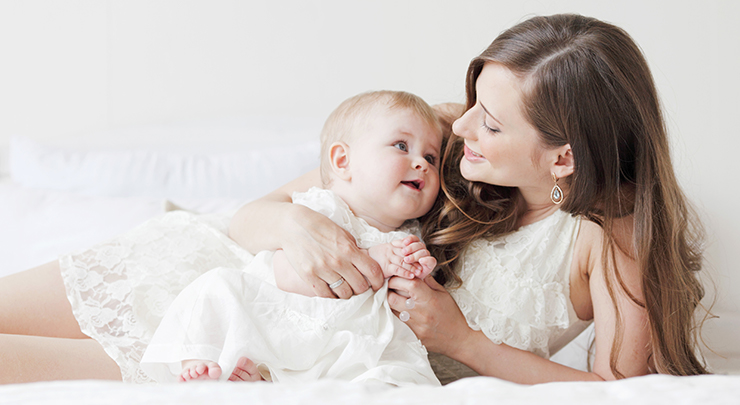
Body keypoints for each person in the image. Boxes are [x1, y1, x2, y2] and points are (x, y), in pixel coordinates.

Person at [228, 13, 709, 383]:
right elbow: (248, 218)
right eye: (474, 101)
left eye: (491, 123)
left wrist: (464, 342)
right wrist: (298, 227)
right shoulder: (436, 143)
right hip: (266, 295)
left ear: (563, 160)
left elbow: (619, 391)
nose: (460, 125)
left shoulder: (611, 238)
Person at [139, 90, 443, 385]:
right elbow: (285, 272)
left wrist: (415, 271)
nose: (422, 164)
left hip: (348, 347)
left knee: (395, 372)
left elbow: (410, 306)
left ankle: (269, 384)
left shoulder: (412, 234)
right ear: (342, 161)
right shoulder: (321, 208)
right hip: (284, 323)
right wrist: (375, 259)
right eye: (401, 146)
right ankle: (205, 359)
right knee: (215, 287)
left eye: (431, 157)